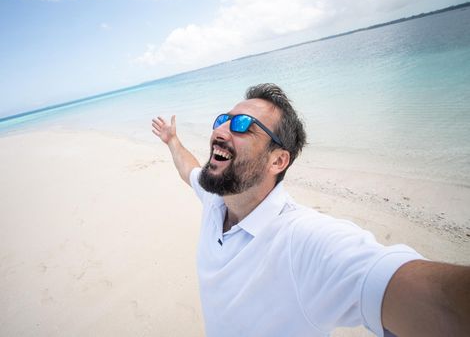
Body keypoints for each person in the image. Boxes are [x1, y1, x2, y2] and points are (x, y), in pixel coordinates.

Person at [151, 83, 469, 337]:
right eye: (223, 119)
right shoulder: (216, 198)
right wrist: (172, 140)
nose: (220, 132)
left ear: (278, 160)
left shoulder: (302, 240)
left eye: (243, 125)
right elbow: (189, 170)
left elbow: (411, 290)